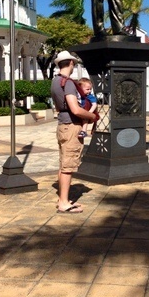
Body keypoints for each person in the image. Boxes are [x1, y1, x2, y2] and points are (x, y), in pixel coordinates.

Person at [51, 51, 97, 214]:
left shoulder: (55, 81)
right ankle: (64, 202)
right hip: (71, 126)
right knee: (68, 166)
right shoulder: (68, 83)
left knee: (64, 163)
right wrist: (92, 116)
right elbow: (75, 109)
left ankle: (62, 198)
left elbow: (58, 107)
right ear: (70, 63)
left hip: (62, 125)